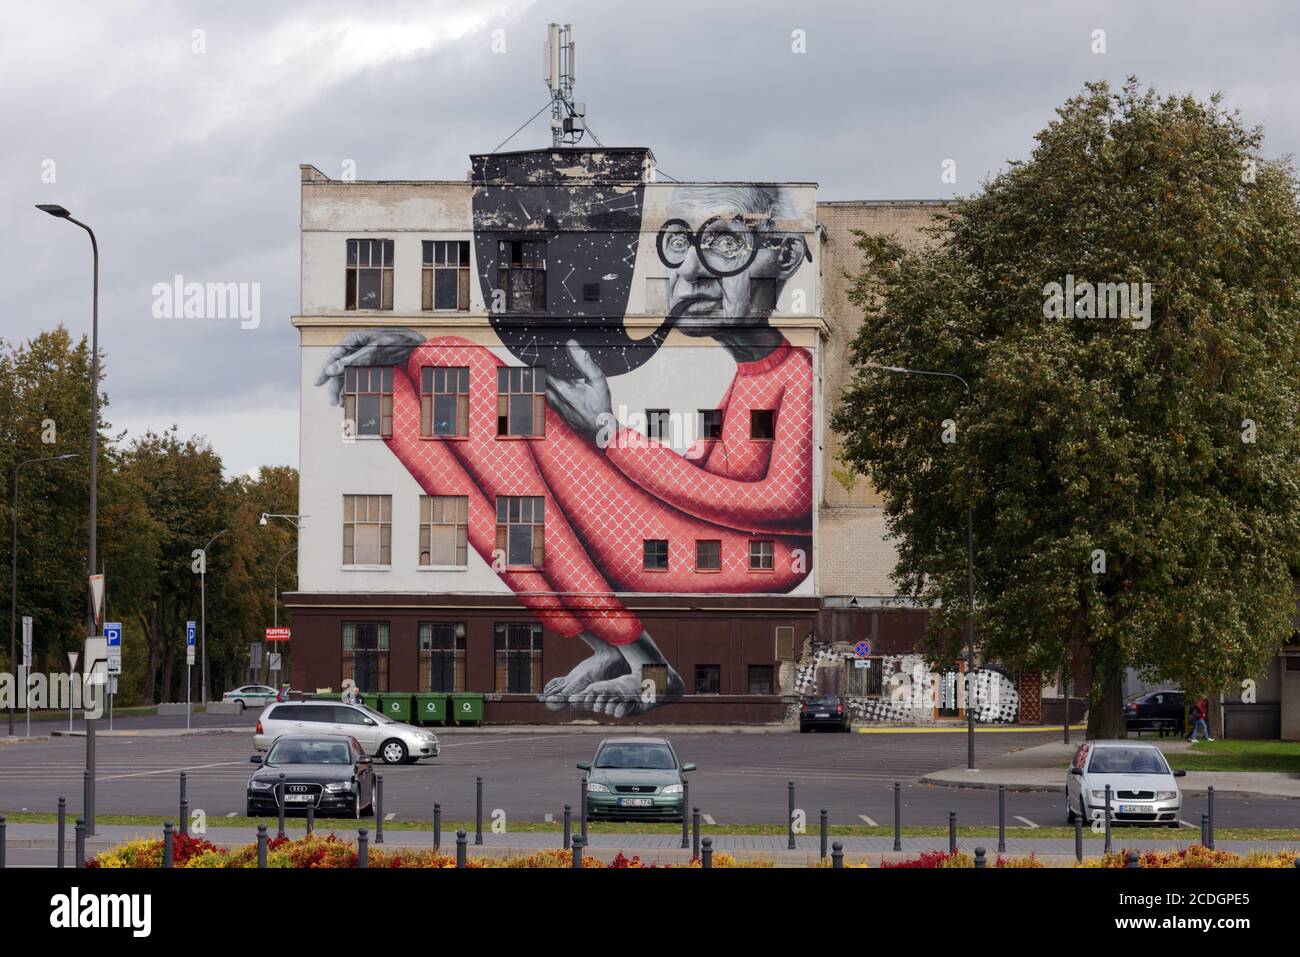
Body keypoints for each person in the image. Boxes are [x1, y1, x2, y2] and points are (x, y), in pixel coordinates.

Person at [314, 185, 814, 716]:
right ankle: (613, 649)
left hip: (747, 556)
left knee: (480, 383)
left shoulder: (798, 374)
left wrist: (606, 433)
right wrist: (603, 438)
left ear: (782, 256)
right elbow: (700, 476)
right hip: (694, 538)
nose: (689, 271)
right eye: (676, 243)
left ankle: (646, 665)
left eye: (724, 242)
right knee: (451, 444)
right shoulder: (747, 377)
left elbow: (783, 503)